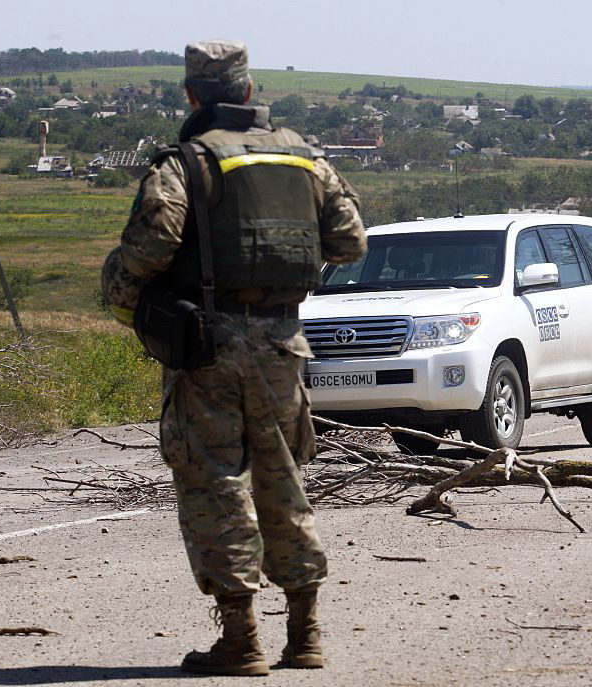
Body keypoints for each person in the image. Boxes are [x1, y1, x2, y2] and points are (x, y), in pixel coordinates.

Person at [101, 39, 366, 677]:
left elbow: (151, 246)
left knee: (214, 481)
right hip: (282, 342)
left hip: (207, 346)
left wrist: (122, 295)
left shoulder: (185, 162)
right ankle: (305, 636)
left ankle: (241, 640)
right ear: (248, 92)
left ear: (193, 95)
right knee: (284, 482)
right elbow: (350, 241)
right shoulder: (307, 158)